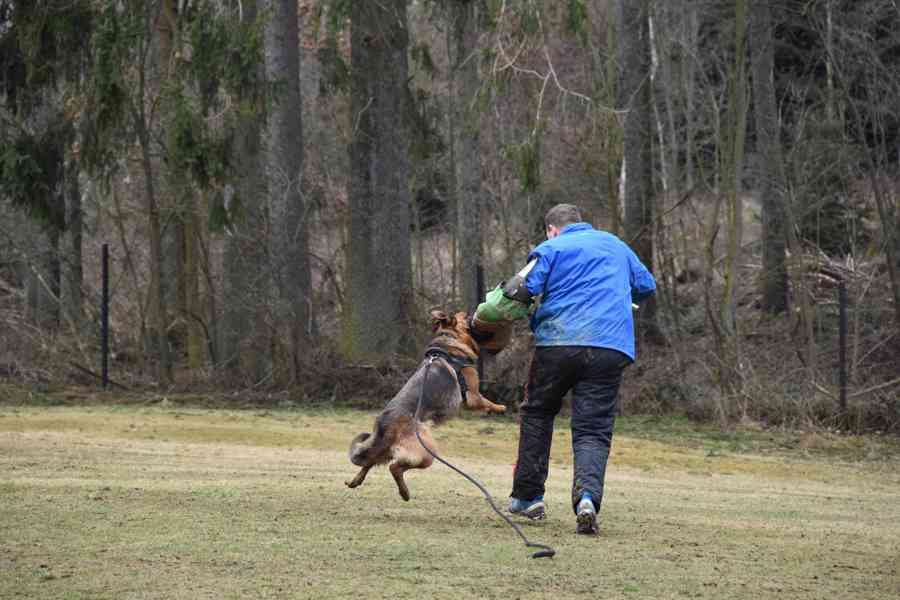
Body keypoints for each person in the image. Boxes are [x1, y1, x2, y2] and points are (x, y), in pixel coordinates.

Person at [505, 203, 656, 535]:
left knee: (538, 413)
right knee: (593, 428)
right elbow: (646, 286)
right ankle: (587, 498)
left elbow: (518, 288)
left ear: (552, 229)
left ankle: (528, 496)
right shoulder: (617, 245)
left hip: (558, 342)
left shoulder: (550, 248)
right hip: (609, 346)